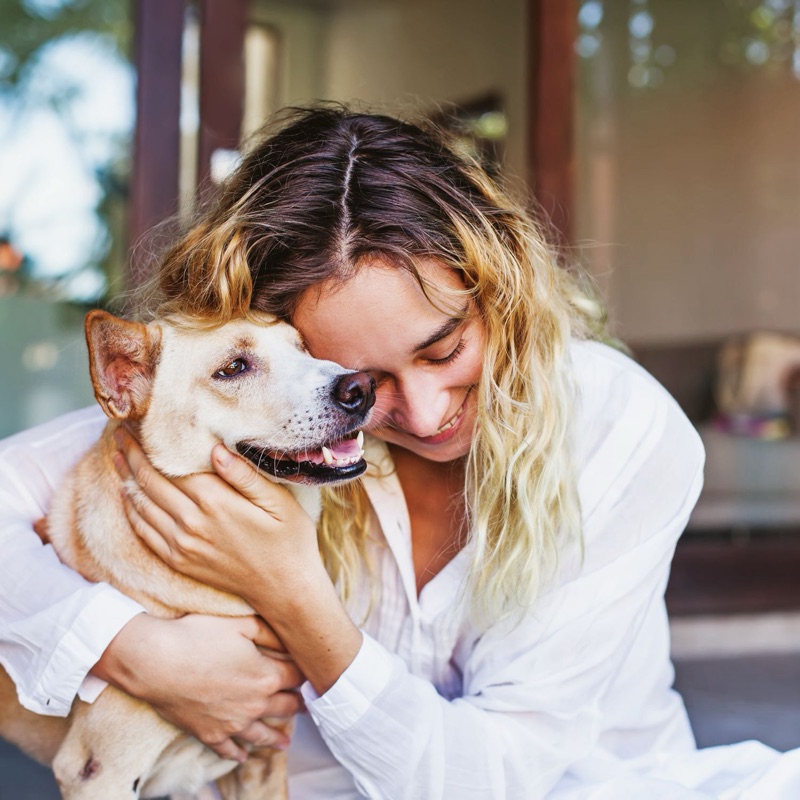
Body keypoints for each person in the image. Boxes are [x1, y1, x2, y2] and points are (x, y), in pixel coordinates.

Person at [0, 105, 798, 799]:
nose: (421, 414)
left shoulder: (618, 425)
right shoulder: (245, 412)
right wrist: (133, 651)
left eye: (445, 348)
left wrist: (289, 589)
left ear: (499, 291)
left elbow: (490, 781)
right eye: (358, 382)